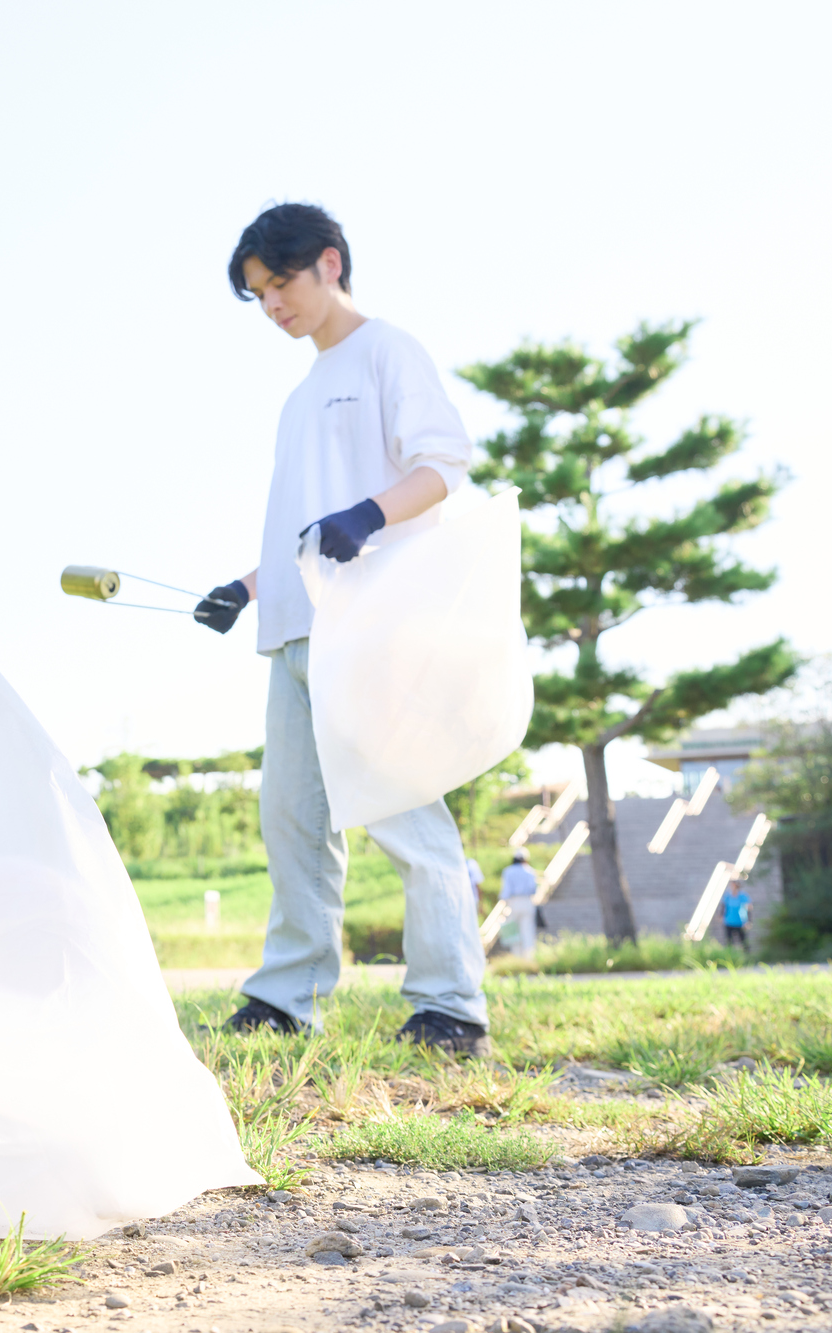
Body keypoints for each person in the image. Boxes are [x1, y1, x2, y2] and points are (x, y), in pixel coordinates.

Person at [193, 203, 492, 1055]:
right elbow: (303, 530)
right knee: (292, 822)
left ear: (329, 262)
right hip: (293, 632)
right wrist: (244, 589)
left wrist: (368, 512)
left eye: (278, 284)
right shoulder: (300, 394)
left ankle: (450, 1004)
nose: (272, 307)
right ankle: (287, 998)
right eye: (257, 295)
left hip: (370, 628)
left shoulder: (388, 350)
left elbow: (444, 466)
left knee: (405, 813)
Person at [499, 848, 541, 961]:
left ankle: (516, 958)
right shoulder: (530, 871)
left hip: (513, 902)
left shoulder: (508, 871)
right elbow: (533, 889)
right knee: (527, 931)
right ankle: (529, 958)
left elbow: (505, 891)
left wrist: (504, 904)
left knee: (515, 931)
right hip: (526, 901)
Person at [722, 879, 753, 950]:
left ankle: (747, 957)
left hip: (740, 922)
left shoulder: (743, 896)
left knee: (744, 941)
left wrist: (749, 921)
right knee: (729, 941)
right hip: (729, 921)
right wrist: (722, 916)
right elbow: (724, 906)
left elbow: (749, 909)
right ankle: (730, 956)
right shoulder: (728, 896)